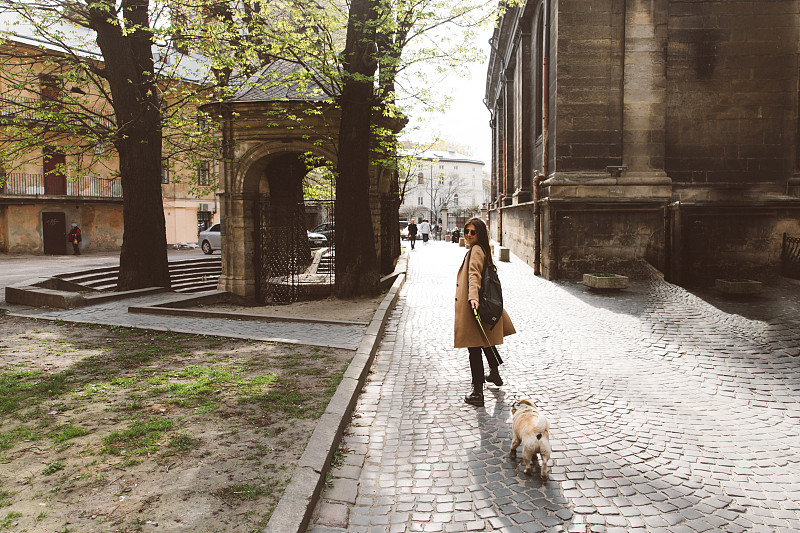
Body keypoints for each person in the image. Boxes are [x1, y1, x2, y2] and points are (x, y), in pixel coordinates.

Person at [454, 217, 515, 406]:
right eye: (467, 231)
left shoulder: (476, 251)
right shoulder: (481, 250)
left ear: (479, 234)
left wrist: (473, 297)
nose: (469, 235)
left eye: (473, 232)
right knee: (485, 341)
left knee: (474, 349)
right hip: (481, 304)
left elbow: (474, 275)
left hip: (476, 305)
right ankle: (495, 373)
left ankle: (477, 392)